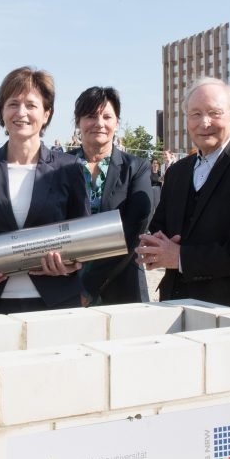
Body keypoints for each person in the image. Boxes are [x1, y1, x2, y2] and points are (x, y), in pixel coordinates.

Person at [138, 77, 230, 312]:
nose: (204, 123)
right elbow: (160, 227)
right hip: (173, 305)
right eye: (195, 114)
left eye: (214, 113)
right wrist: (153, 247)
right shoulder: (177, 172)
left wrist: (180, 257)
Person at [0, 66, 88, 315]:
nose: (21, 113)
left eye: (31, 104)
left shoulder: (68, 167)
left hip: (56, 302)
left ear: (47, 114)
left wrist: (71, 265)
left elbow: (80, 237)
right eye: (13, 103)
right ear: (2, 112)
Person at [69, 86, 153, 305]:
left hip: (121, 282)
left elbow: (134, 229)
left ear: (117, 122)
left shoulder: (136, 168)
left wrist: (89, 286)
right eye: (90, 116)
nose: (99, 123)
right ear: (78, 122)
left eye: (107, 116)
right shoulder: (59, 167)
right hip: (67, 283)